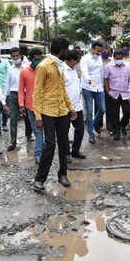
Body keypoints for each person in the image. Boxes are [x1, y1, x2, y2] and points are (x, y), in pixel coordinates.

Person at [33, 38, 77, 192]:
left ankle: (63, 175)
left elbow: (62, 89)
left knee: (64, 143)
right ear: (61, 50)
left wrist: (71, 108)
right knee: (50, 144)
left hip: (62, 111)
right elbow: (37, 93)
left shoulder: (60, 66)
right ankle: (39, 179)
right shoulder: (43, 66)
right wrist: (38, 116)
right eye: (66, 49)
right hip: (48, 112)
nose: (67, 52)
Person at [19, 48, 44, 164]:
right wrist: (21, 105)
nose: (38, 61)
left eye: (40, 59)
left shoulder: (44, 70)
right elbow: (20, 90)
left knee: (45, 131)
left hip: (45, 106)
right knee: (38, 131)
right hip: (31, 106)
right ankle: (38, 154)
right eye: (36, 59)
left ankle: (42, 149)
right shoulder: (24, 72)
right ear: (30, 59)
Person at [104, 50, 130, 141]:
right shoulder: (108, 66)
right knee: (114, 114)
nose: (119, 60)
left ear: (123, 58)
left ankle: (122, 125)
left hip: (125, 93)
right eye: (117, 58)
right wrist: (108, 91)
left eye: (120, 58)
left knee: (128, 112)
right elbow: (105, 79)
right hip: (113, 93)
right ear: (114, 58)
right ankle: (116, 132)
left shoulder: (128, 67)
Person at [80, 40, 105, 144]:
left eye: (100, 51)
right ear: (92, 48)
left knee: (102, 109)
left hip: (99, 87)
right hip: (88, 87)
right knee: (89, 111)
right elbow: (84, 72)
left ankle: (94, 124)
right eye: (98, 50)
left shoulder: (99, 58)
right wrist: (90, 81)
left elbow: (101, 71)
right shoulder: (85, 58)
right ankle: (91, 134)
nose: (99, 53)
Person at [64, 50, 86, 159]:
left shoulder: (74, 70)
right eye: (76, 61)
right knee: (64, 131)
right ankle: (66, 154)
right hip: (65, 108)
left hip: (77, 106)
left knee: (80, 129)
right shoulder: (62, 70)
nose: (77, 63)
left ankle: (75, 151)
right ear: (70, 60)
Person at [5, 47, 25, 151]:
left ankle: (29, 136)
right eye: (14, 56)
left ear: (20, 56)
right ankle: (13, 142)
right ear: (11, 57)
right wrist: (5, 100)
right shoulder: (10, 69)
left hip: (25, 94)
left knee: (28, 118)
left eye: (17, 56)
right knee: (13, 120)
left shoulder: (26, 68)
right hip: (13, 95)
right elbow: (7, 85)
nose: (16, 58)